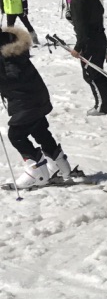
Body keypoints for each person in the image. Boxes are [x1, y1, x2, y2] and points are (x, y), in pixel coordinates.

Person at [0, 26, 72, 188]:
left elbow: (13, 75)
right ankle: (61, 167)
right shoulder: (9, 41)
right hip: (34, 95)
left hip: (26, 100)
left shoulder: (5, 51)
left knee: (16, 134)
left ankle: (36, 173)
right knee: (39, 129)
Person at [50, 0, 107, 114]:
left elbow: (81, 27)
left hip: (89, 42)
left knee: (90, 74)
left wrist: (78, 48)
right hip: (100, 37)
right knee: (97, 70)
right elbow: (100, 10)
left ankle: (104, 106)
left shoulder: (77, 0)